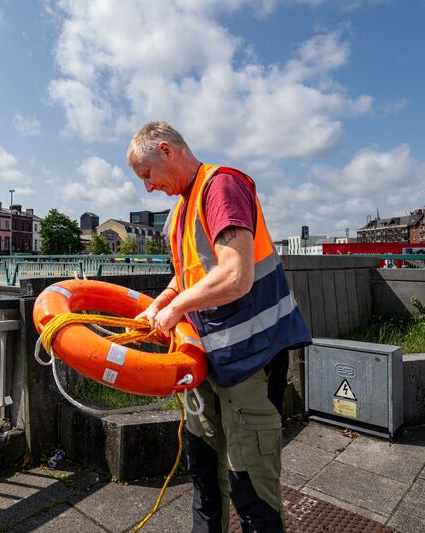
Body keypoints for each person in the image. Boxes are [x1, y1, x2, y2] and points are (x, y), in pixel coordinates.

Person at [127, 122, 311, 532]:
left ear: (166, 150)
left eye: (147, 174)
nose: (148, 187)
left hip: (252, 358)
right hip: (209, 360)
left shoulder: (221, 187)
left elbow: (236, 276)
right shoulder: (180, 214)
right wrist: (159, 303)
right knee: (206, 478)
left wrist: (176, 312)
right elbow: (186, 277)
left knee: (251, 487)